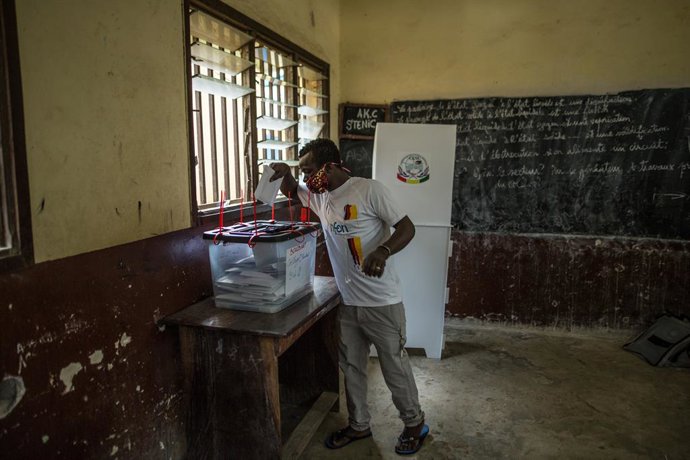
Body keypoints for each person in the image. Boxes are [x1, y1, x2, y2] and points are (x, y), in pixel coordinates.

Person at [270, 139, 429, 455]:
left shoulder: (370, 190)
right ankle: (359, 425)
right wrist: (285, 173)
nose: (306, 178)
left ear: (329, 167)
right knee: (352, 369)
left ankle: (415, 425)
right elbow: (291, 191)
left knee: (394, 368)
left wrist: (383, 251)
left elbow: (407, 228)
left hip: (382, 302)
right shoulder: (321, 198)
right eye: (302, 171)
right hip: (349, 303)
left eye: (309, 170)